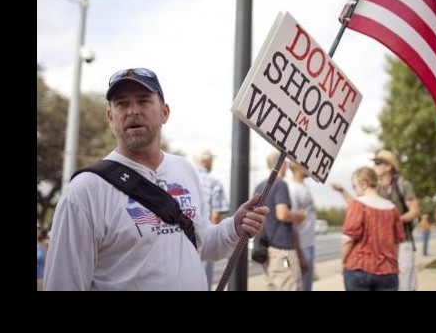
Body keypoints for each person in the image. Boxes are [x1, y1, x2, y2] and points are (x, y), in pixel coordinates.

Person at [44, 67, 268, 291]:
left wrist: (235, 227)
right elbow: (63, 283)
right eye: (122, 104)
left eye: (143, 101)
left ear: (164, 112)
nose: (133, 111)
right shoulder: (85, 191)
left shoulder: (185, 170)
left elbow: (204, 244)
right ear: (110, 117)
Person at [333, 150, 419, 290]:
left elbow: (415, 211)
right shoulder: (385, 200)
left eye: (378, 163)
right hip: (388, 265)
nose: (375, 165)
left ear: (389, 166)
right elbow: (361, 207)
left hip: (364, 264)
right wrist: (388, 219)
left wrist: (388, 222)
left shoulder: (402, 184)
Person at [339, 167, 405, 291]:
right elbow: (397, 242)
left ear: (364, 184)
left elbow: (348, 239)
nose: (355, 190)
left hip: (359, 267)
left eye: (354, 186)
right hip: (388, 271)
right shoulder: (392, 208)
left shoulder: (357, 205)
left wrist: (343, 261)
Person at [254, 152, 306, 291]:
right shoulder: (280, 184)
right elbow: (282, 214)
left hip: (265, 249)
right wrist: (299, 216)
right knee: (292, 286)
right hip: (282, 250)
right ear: (281, 164)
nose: (288, 168)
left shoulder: (259, 186)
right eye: (287, 164)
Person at [193, 149, 230, 290]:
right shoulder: (214, 182)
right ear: (207, 162)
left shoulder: (185, 178)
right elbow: (215, 216)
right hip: (203, 238)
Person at [286, 161, 316, 292]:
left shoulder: (305, 186)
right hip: (301, 245)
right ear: (298, 168)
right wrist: (299, 254)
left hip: (309, 243)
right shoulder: (292, 189)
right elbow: (291, 222)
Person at [37, 221, 46, 291]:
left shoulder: (44, 245)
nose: (38, 230)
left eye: (39, 228)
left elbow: (46, 263)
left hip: (41, 279)